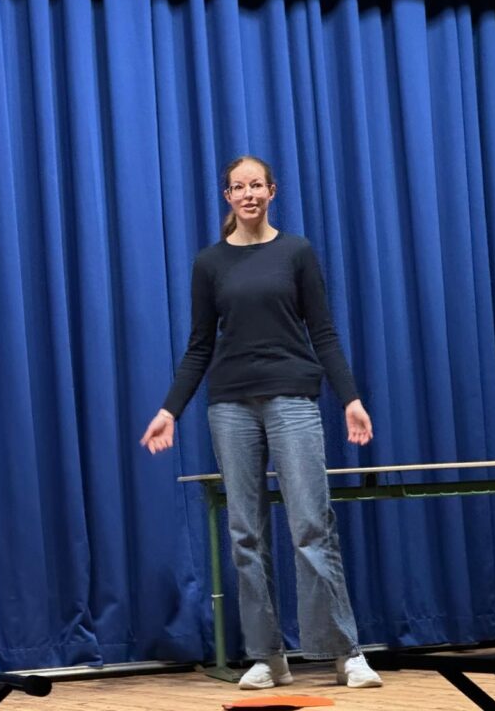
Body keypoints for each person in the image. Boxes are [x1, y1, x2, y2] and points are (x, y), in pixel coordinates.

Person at [140, 155, 382, 691]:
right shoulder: (209, 264)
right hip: (231, 405)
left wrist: (350, 398)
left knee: (311, 526)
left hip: (292, 398)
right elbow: (199, 346)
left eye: (257, 185)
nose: (248, 194)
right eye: (238, 187)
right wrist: (169, 410)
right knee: (246, 534)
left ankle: (345, 652)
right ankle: (267, 657)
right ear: (227, 196)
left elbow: (323, 331)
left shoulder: (296, 252)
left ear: (272, 191)